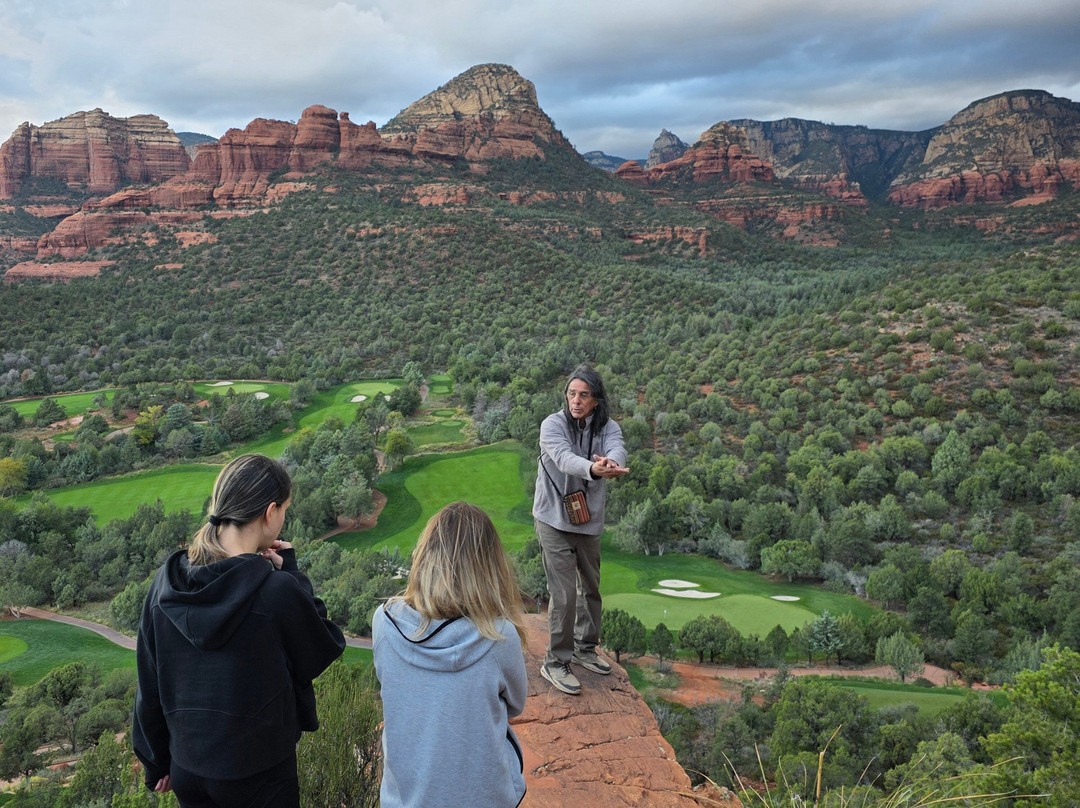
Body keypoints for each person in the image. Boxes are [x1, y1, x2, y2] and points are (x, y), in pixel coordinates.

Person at [132, 454, 345, 808]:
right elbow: (322, 645)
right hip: (258, 772)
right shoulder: (275, 591)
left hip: (187, 768)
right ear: (270, 512)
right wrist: (290, 572)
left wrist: (155, 762)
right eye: (285, 510)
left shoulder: (166, 584)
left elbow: (149, 680)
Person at [373, 501, 528, 808]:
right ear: (489, 568)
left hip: (406, 799)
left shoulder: (385, 621)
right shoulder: (499, 635)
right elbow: (516, 703)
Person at [534, 364, 628, 695]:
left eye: (583, 395)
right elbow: (562, 458)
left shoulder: (609, 427)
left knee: (591, 587)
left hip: (587, 520)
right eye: (571, 394)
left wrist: (612, 462)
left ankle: (584, 648)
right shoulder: (553, 424)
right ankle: (555, 662)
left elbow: (618, 447)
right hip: (552, 518)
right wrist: (594, 468)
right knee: (563, 593)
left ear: (596, 401)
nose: (576, 400)